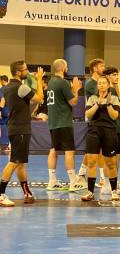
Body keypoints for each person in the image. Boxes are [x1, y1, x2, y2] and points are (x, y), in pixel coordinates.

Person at [0, 61, 44, 206]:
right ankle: (1, 194)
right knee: (14, 162)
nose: (28, 72)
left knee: (20, 163)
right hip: (20, 129)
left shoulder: (7, 87)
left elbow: (22, 106)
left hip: (15, 127)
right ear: (18, 72)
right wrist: (38, 80)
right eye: (25, 70)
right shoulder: (22, 87)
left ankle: (27, 192)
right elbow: (39, 98)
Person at [81, 76, 120, 202]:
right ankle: (90, 192)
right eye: (99, 83)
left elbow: (115, 116)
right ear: (97, 86)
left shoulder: (114, 98)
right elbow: (88, 115)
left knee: (110, 163)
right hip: (94, 131)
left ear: (108, 85)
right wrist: (98, 103)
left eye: (104, 83)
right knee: (92, 161)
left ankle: (113, 191)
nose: (102, 85)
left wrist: (108, 104)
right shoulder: (92, 98)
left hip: (109, 131)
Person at [46, 59, 83, 191]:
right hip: (63, 121)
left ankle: (52, 180)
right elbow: (73, 102)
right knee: (69, 151)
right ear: (62, 68)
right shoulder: (62, 82)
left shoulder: (50, 82)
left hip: (53, 122)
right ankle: (73, 181)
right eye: (66, 66)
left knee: (53, 150)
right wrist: (76, 89)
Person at [77, 58, 106, 189]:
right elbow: (102, 94)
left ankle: (82, 174)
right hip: (93, 118)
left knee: (96, 150)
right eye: (101, 66)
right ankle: (88, 176)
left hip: (102, 119)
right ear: (95, 68)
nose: (104, 68)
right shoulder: (90, 83)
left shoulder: (99, 81)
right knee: (94, 150)